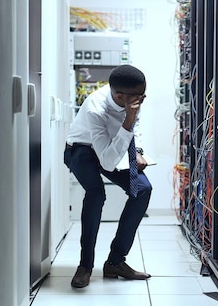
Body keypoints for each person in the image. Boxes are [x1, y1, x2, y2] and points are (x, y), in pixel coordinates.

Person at [64, 64, 152, 288]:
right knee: (96, 194)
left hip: (110, 146)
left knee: (142, 189)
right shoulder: (96, 108)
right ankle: (85, 266)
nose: (142, 100)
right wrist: (128, 120)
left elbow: (134, 129)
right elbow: (107, 162)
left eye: (143, 95)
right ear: (119, 96)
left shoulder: (133, 100)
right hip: (81, 149)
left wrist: (138, 151)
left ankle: (115, 262)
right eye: (138, 97)